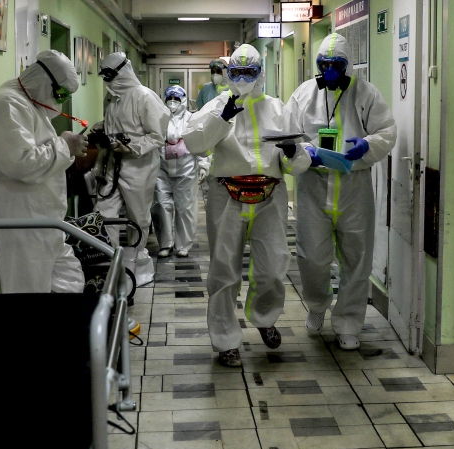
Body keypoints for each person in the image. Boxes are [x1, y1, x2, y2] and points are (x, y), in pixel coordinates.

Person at [183, 44, 310, 367]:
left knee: (273, 266)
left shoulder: (277, 108)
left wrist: (293, 153)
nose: (242, 79)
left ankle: (264, 317)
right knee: (224, 269)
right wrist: (222, 118)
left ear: (260, 74)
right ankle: (226, 339)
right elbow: (194, 143)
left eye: (248, 72)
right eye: (236, 73)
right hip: (226, 194)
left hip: (270, 195)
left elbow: (297, 162)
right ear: (228, 74)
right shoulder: (216, 106)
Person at [285, 33, 397, 350]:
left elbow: (387, 130)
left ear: (348, 66)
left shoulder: (366, 94)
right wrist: (305, 152)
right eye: (324, 64)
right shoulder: (304, 95)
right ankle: (317, 304)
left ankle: (348, 322)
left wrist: (368, 145)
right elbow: (288, 135)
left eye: (337, 64)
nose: (330, 70)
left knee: (357, 259)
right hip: (313, 185)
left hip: (354, 185)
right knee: (311, 257)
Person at [0, 49, 88, 293]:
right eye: (59, 94)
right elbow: (21, 164)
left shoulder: (29, 104)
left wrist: (65, 147)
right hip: (17, 216)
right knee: (26, 294)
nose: (59, 101)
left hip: (42, 218)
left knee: (69, 282)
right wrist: (65, 146)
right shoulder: (6, 104)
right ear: (43, 81)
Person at [92, 52, 170, 287]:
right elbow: (115, 122)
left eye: (110, 74)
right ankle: (111, 262)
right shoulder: (112, 97)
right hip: (112, 163)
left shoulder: (144, 96)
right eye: (104, 75)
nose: (107, 80)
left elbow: (157, 136)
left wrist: (132, 147)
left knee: (138, 217)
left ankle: (135, 264)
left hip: (139, 166)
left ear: (122, 72)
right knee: (103, 212)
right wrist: (102, 128)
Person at [153, 85, 204, 258]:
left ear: (183, 100)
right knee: (161, 206)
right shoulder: (159, 117)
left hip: (186, 169)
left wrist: (203, 164)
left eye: (176, 99)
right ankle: (165, 244)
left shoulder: (192, 119)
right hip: (162, 169)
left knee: (185, 208)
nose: (173, 102)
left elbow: (201, 142)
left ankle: (183, 244)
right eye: (170, 99)